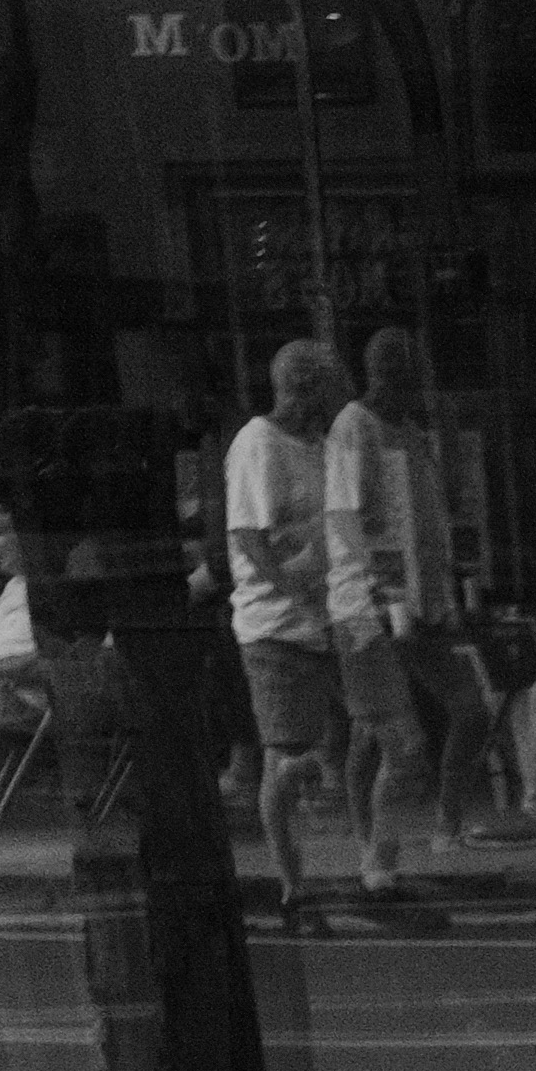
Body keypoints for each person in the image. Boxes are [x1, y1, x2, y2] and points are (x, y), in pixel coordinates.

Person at [321, 323, 485, 918]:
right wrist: (387, 593)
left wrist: (445, 586)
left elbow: (433, 515)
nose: (415, 389)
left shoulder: (410, 432)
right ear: (385, 377)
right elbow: (350, 521)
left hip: (423, 600)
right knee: (382, 735)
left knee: (469, 707)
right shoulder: (353, 428)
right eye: (407, 377)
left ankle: (443, 820)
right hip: (370, 607)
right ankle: (374, 855)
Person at [221, 336, 357, 920]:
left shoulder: (321, 445)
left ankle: (337, 852)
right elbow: (248, 537)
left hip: (329, 617)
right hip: (275, 627)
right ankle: (290, 877)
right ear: (305, 389)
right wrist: (295, 586)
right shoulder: (259, 444)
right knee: (285, 751)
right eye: (329, 387)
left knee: (346, 737)